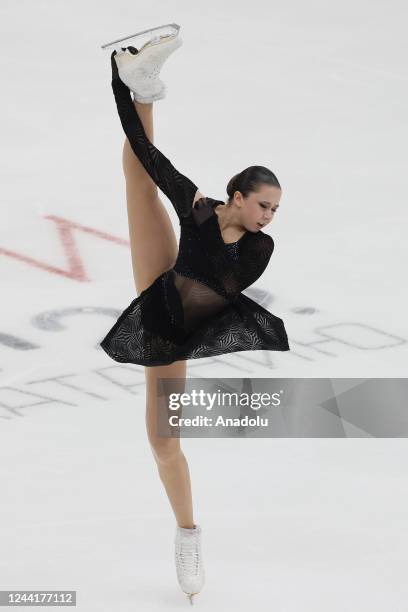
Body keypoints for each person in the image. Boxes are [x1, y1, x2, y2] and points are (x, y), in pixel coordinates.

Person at [99, 29, 290, 604]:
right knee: (140, 180)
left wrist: (208, 226)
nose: (270, 218)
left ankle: (187, 531)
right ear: (237, 195)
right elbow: (153, 159)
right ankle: (143, 83)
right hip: (164, 283)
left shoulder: (257, 249)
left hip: (178, 328)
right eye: (264, 205)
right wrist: (120, 85)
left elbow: (220, 284)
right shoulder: (200, 208)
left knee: (163, 444)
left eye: (276, 210)